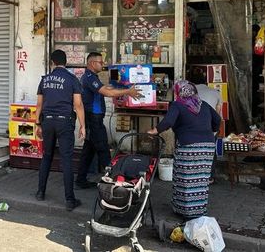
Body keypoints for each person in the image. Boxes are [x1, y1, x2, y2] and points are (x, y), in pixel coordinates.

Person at [148, 80, 220, 220]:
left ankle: (185, 209)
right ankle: (199, 209)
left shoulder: (178, 105)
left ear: (178, 92)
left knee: (185, 178)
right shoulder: (203, 104)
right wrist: (211, 131)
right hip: (207, 147)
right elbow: (217, 119)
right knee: (201, 179)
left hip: (188, 146)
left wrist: (154, 131)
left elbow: (168, 121)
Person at [75, 52, 141, 189]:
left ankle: (81, 180)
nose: (103, 64)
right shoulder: (88, 77)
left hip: (93, 118)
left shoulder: (92, 77)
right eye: (100, 62)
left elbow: (106, 89)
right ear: (93, 63)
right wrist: (127, 92)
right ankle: (110, 183)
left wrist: (121, 87)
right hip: (93, 119)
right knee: (104, 150)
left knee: (88, 151)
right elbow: (107, 92)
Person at [33, 49, 85, 211]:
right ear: (65, 62)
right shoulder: (72, 79)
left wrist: (37, 123)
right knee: (67, 159)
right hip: (64, 122)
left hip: (47, 122)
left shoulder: (45, 80)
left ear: (52, 62)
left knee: (46, 156)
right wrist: (83, 125)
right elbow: (78, 104)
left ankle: (40, 192)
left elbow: (39, 104)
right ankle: (70, 200)